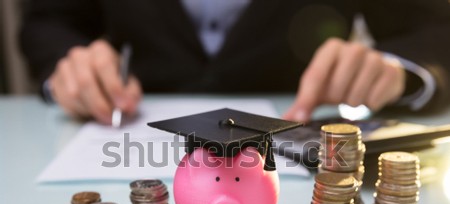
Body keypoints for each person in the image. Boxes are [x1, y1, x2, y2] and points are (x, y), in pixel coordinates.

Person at [20, 0, 450, 124]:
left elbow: (432, 27)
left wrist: (395, 68)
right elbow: (50, 20)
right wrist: (68, 66)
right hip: (121, 118)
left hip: (300, 131)